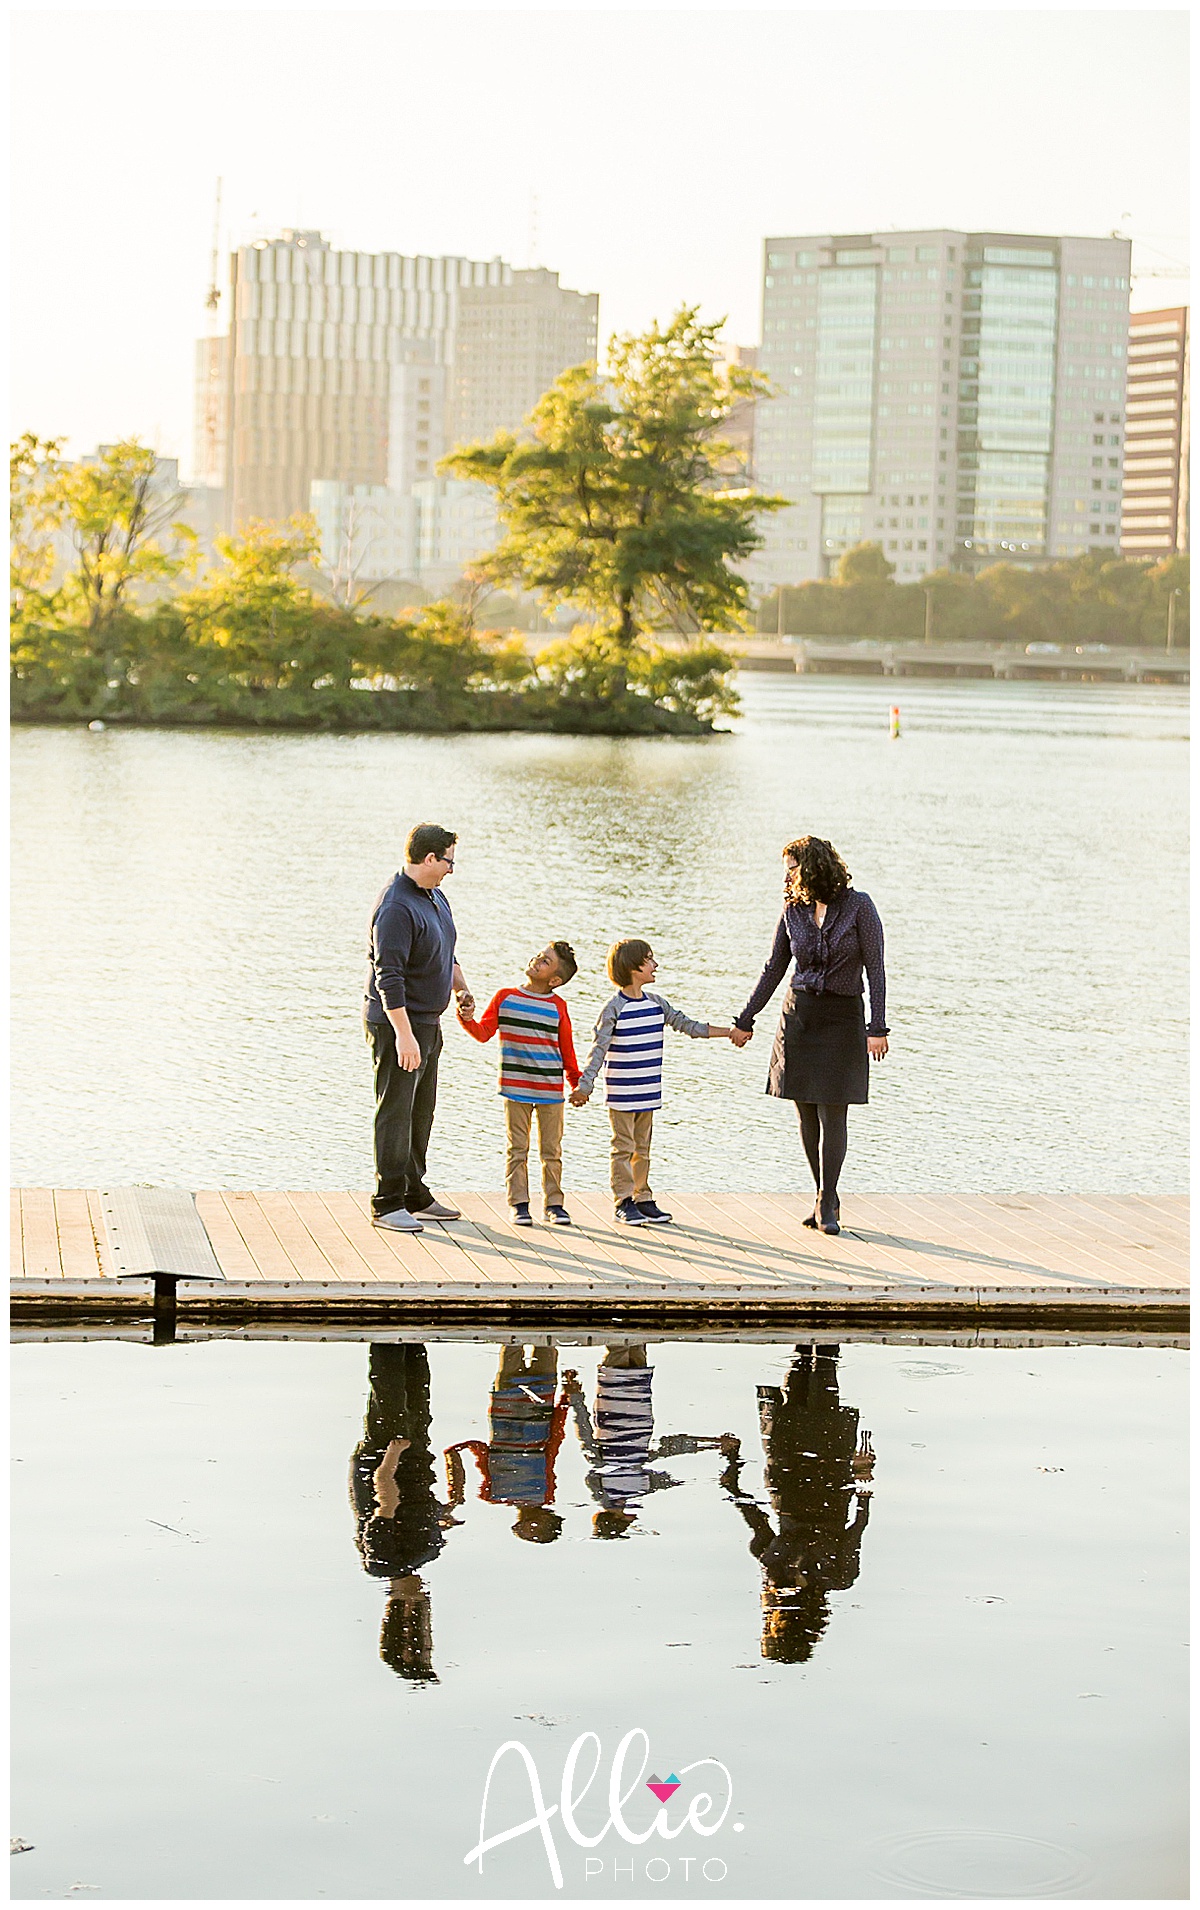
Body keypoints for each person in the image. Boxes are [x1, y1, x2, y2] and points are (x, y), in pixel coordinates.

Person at [731, 837, 889, 1235]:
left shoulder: (859, 906)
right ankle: (821, 1192)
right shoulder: (792, 910)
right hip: (799, 1017)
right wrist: (746, 1018)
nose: (787, 875)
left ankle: (827, 1200)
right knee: (805, 1111)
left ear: (813, 866)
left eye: (792, 867)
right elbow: (773, 968)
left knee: (833, 1110)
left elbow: (876, 969)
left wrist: (877, 1028)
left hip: (842, 1016)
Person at [720, 1344, 875, 1665]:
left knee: (801, 1372)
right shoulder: (836, 1575)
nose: (769, 1618)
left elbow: (751, 1513)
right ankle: (827, 1318)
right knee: (822, 1377)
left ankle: (816, 1323)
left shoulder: (773, 1569)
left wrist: (732, 1468)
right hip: (825, 1476)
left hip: (788, 1474)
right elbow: (857, 1527)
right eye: (771, 1627)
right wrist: (862, 1476)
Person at [570, 940, 732, 1226]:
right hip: (622, 1094)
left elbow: (689, 1026)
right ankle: (623, 1201)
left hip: (648, 1092)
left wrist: (730, 1032)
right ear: (633, 968)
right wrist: (585, 1086)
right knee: (623, 1148)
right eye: (649, 960)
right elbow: (598, 1050)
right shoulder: (614, 1008)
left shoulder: (656, 1004)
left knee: (642, 1148)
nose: (655, 965)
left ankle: (642, 1197)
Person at [364, 823, 474, 1232]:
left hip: (429, 1020)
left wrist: (461, 987)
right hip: (397, 1025)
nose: (451, 869)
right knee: (396, 1111)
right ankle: (387, 1202)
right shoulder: (395, 906)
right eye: (448, 861)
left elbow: (445, 949)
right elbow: (387, 976)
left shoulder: (435, 897)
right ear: (429, 858)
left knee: (421, 1110)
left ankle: (415, 1193)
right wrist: (404, 1035)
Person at [349, 1342, 461, 1683]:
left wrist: (392, 1454)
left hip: (387, 1460)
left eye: (422, 1641)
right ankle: (413, 1340)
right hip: (412, 1463)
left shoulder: (384, 1561)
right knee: (417, 1397)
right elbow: (416, 1510)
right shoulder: (422, 1556)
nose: (428, 1633)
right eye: (428, 1643)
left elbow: (384, 1499)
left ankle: (388, 1334)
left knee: (391, 1395)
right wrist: (444, 1511)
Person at [457, 941, 581, 1227]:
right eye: (539, 955)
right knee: (517, 1149)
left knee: (552, 1152)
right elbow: (483, 1033)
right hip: (515, 1089)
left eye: (545, 961)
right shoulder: (505, 997)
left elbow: (567, 1049)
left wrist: (576, 1083)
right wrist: (466, 1018)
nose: (537, 960)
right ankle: (519, 1204)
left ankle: (554, 1204)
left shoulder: (557, 1006)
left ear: (555, 980)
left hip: (551, 1091)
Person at [565, 1347, 738, 1538]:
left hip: (626, 1409)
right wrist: (711, 1444)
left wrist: (713, 1444)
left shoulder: (611, 1481)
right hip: (631, 1406)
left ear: (620, 1520)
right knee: (628, 1352)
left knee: (623, 1351)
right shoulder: (623, 1483)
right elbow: (670, 1452)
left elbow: (672, 1452)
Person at [444, 1345, 576, 1544]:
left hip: (515, 1403)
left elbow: (485, 1458)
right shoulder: (533, 1494)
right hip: (521, 1403)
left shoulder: (495, 1494)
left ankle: (521, 1315)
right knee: (535, 1347)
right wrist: (565, 1400)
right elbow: (553, 1445)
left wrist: (565, 1400)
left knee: (524, 1347)